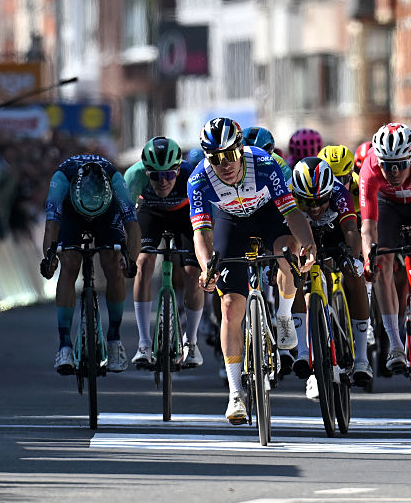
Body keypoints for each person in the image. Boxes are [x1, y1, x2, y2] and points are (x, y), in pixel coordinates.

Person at [188, 117, 316, 424]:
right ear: (208, 158)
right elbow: (201, 234)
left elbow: (291, 212)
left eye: (230, 154)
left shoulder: (264, 164)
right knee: (230, 307)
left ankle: (284, 315)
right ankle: (235, 393)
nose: (225, 164)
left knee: (286, 253)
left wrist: (308, 244)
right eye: (216, 158)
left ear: (241, 148)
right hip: (231, 223)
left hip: (268, 215)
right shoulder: (199, 180)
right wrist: (208, 268)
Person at [40, 155, 141, 375]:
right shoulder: (62, 179)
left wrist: (130, 261)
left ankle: (114, 340)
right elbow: (51, 227)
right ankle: (64, 345)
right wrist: (50, 259)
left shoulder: (115, 181)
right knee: (68, 264)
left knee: (113, 263)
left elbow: (133, 227)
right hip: (71, 214)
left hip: (107, 214)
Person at [288, 157, 372, 391]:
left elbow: (351, 231)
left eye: (321, 201)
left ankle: (362, 359)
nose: (315, 208)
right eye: (308, 202)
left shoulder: (339, 192)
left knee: (354, 276)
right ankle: (303, 352)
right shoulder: (288, 193)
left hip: (335, 233)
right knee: (295, 277)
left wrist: (354, 259)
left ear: (329, 193)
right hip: (302, 235)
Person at [360, 122, 411, 373]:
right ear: (377, 161)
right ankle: (395, 344)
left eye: (400, 165)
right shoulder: (369, 169)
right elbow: (368, 227)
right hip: (388, 205)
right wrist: (370, 260)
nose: (393, 172)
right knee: (382, 264)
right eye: (386, 166)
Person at [124, 137, 204, 369]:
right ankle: (144, 344)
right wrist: (125, 251)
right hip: (151, 212)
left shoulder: (193, 174)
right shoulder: (133, 176)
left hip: (185, 212)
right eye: (156, 176)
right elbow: (125, 218)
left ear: (179, 170)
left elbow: (207, 216)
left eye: (169, 175)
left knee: (192, 274)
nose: (163, 182)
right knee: (143, 263)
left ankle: (191, 343)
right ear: (145, 171)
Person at [319, 144, 360, 213]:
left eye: (341, 180)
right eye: (328, 180)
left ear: (351, 175)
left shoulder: (361, 188)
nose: (335, 187)